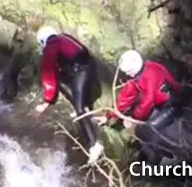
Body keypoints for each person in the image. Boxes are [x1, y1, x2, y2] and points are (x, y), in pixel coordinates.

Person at [95, 50, 182, 163]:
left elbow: (148, 101)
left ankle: (166, 159)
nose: (127, 74)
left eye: (128, 71)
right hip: (161, 104)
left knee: (148, 128)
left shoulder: (151, 74)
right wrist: (109, 116)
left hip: (173, 103)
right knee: (142, 127)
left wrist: (134, 118)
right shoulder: (137, 76)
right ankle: (153, 154)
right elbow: (125, 98)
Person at [34, 26, 104, 163]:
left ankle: (94, 144)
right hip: (87, 66)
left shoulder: (51, 46)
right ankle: (84, 107)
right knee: (60, 80)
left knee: (80, 110)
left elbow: (48, 72)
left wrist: (47, 101)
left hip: (80, 71)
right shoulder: (63, 37)